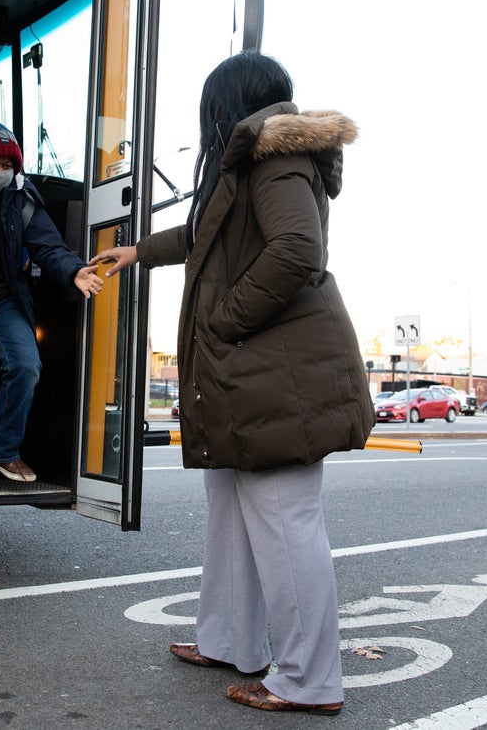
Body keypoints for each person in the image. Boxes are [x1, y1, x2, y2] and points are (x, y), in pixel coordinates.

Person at [90, 51, 374, 714]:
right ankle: (229, 639)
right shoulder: (251, 161)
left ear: (232, 103)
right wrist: (136, 251)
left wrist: (224, 316)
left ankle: (308, 680)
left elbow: (298, 250)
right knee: (234, 513)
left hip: (279, 372)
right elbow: (204, 234)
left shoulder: (276, 158)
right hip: (256, 372)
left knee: (283, 519)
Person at [0, 122, 104, 496]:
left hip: (5, 301)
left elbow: (49, 247)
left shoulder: (22, 200)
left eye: (7, 166)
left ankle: (0, 448)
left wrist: (75, 271)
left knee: (27, 367)